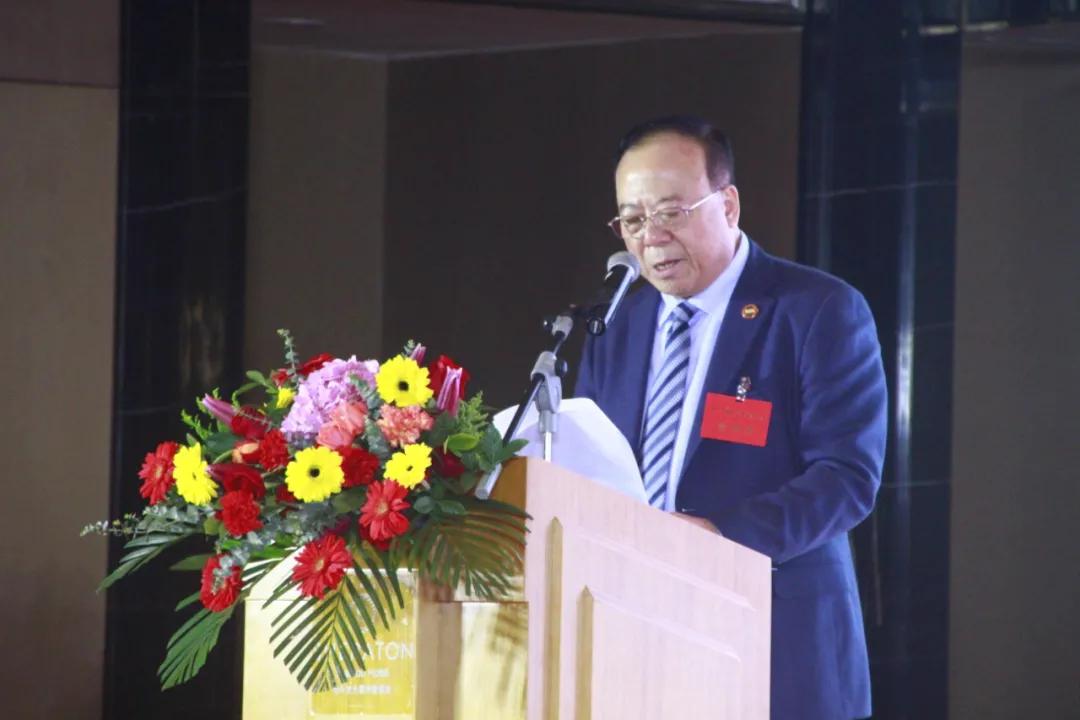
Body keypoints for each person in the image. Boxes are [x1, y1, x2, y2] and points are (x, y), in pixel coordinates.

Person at [574, 116, 887, 720]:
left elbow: (846, 478)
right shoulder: (616, 325)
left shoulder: (816, 310)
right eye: (632, 220)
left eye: (671, 212)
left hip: (775, 642)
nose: (652, 238)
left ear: (729, 205)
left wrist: (717, 539)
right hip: (633, 639)